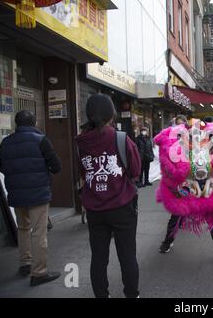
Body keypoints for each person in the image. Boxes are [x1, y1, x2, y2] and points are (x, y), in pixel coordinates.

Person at [76, 94, 141, 298]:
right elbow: (136, 170)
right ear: (111, 114)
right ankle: (132, 294)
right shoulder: (121, 138)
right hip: (122, 206)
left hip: (95, 209)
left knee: (98, 258)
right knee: (127, 256)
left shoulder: (80, 142)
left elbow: (83, 173)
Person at [0, 111, 61, 287]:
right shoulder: (41, 140)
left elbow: (2, 167)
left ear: (16, 124)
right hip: (38, 194)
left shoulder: (5, 142)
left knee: (23, 229)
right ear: (34, 122)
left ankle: (25, 264)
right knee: (38, 232)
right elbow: (56, 167)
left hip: (17, 194)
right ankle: (39, 272)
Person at [158, 116, 213, 264]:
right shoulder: (183, 145)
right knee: (177, 214)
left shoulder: (209, 145)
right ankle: (167, 242)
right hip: (188, 185)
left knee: (212, 218)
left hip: (206, 186)